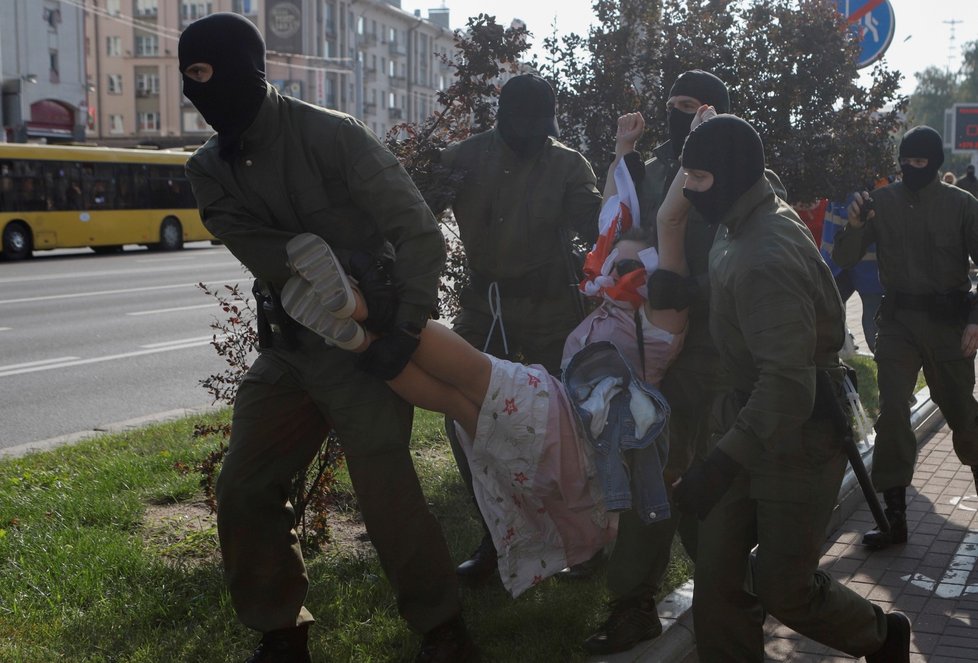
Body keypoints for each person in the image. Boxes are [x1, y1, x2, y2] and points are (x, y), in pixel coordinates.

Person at [278, 110, 689, 597]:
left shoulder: (663, 316)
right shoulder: (620, 302)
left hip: (570, 422)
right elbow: (612, 212)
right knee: (456, 406)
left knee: (478, 374)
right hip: (567, 423)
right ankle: (357, 339)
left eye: (624, 261)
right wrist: (624, 149)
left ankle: (363, 306)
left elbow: (668, 222)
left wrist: (696, 150)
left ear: (653, 269)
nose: (607, 266)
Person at [178, 13, 473, 662]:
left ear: (244, 71)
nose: (198, 91)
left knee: (386, 489)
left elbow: (418, 231)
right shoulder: (210, 169)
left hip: (364, 348)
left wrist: (405, 327)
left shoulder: (331, 136)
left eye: (207, 74)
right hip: (290, 350)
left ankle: (443, 627)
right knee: (244, 485)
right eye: (189, 79)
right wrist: (313, 265)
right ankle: (280, 630)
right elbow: (268, 255)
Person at [672, 113, 911, 663]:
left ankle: (881, 636)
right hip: (748, 418)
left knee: (786, 588)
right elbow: (741, 290)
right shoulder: (744, 217)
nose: (689, 189)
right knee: (718, 582)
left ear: (730, 177)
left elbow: (786, 385)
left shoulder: (765, 252)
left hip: (798, 437)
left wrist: (719, 464)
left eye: (699, 178)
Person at [585, 68, 783, 655]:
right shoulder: (652, 172)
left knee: (695, 478)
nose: (677, 115)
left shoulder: (744, 175)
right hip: (650, 340)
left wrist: (694, 289)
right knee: (655, 466)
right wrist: (624, 264)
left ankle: (731, 590)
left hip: (714, 352)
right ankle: (642, 601)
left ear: (714, 112)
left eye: (690, 106)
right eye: (670, 104)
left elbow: (750, 258)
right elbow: (625, 222)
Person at [438, 73, 603, 583]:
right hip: (486, 308)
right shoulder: (462, 159)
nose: (534, 134)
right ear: (500, 118)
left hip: (552, 308)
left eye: (542, 124)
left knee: (565, 426)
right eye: (523, 124)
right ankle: (499, 535)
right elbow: (415, 217)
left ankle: (583, 539)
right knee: (462, 414)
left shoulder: (567, 163)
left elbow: (598, 227)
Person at [833, 126, 978, 549]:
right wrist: (857, 225)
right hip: (897, 323)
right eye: (906, 162)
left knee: (964, 416)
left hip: (950, 326)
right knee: (893, 411)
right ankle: (893, 516)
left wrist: (975, 318)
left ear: (935, 164)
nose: (912, 169)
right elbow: (844, 258)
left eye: (920, 162)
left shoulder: (962, 205)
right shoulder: (880, 204)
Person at [820, 198, 884, 353]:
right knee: (825, 317)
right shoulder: (837, 187)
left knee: (873, 319)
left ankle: (885, 361)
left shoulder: (880, 188)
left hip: (867, 266)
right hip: (838, 263)